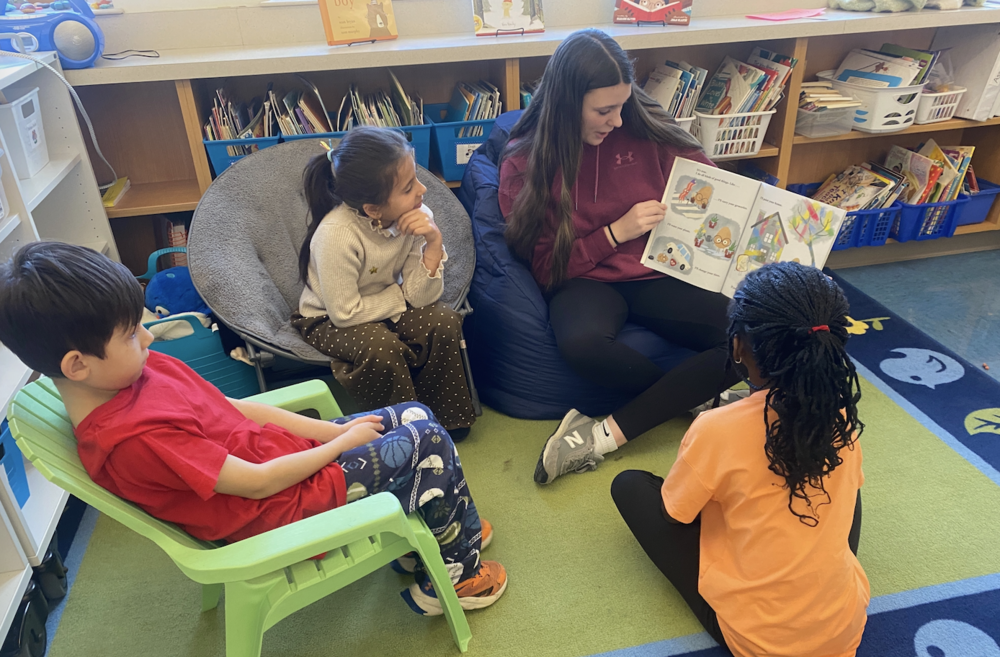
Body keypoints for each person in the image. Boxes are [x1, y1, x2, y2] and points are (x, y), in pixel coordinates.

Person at [0, 242, 506, 615]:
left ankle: (443, 524)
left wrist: (331, 434)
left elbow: (237, 409)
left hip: (281, 465)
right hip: (277, 508)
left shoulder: (133, 374)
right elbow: (256, 485)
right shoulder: (137, 438)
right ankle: (454, 575)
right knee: (428, 443)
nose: (150, 336)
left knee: (412, 415)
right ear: (77, 365)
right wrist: (339, 445)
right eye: (132, 333)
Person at [498, 29, 741, 485]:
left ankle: (602, 435)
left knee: (749, 334)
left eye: (622, 105)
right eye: (603, 110)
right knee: (582, 346)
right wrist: (614, 233)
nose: (615, 120)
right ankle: (688, 397)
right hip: (584, 278)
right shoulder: (525, 162)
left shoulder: (647, 131)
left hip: (657, 268)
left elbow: (716, 190)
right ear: (567, 103)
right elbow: (546, 268)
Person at [611, 263, 869, 657]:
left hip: (754, 639)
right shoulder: (838, 412)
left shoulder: (716, 428)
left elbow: (677, 515)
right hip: (841, 626)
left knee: (630, 486)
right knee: (843, 479)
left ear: (737, 348)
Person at [292, 126, 476, 441]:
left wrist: (433, 243)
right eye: (408, 188)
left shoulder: (417, 215)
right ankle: (402, 434)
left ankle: (448, 421)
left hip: (385, 305)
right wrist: (398, 299)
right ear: (373, 210)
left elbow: (422, 299)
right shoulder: (337, 235)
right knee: (382, 347)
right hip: (328, 317)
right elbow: (345, 314)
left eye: (416, 177)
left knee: (444, 320)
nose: (422, 190)